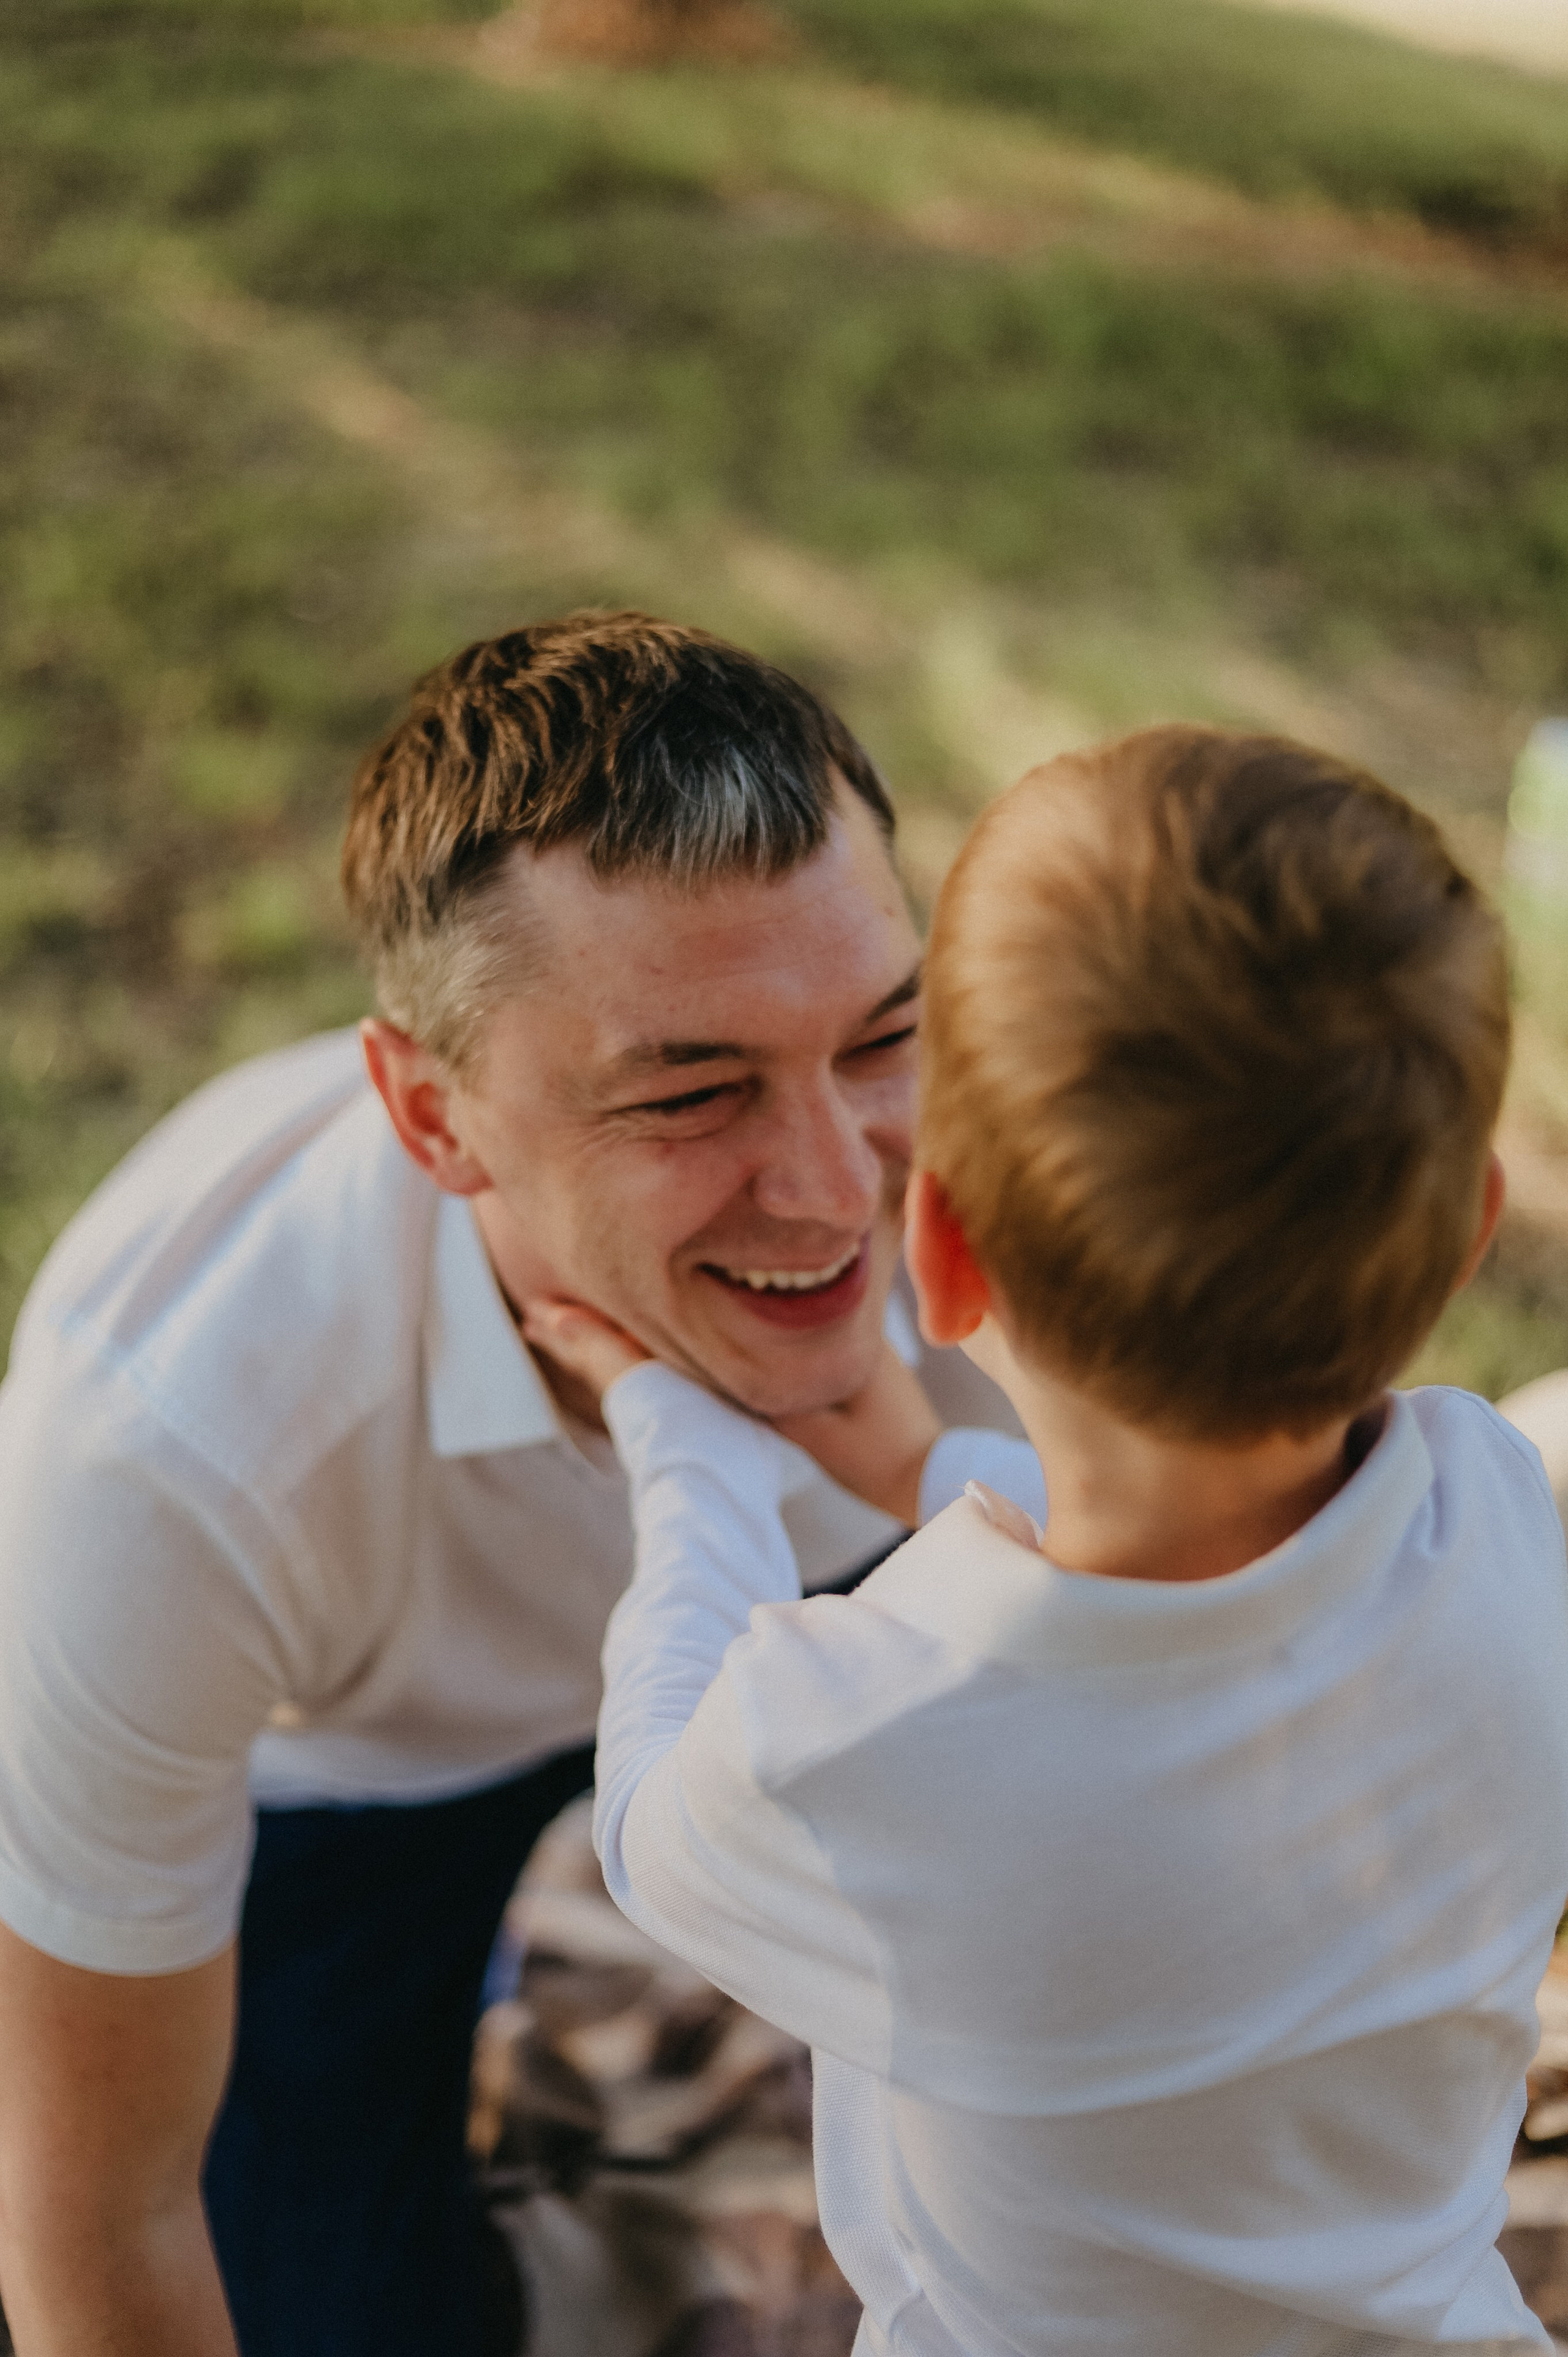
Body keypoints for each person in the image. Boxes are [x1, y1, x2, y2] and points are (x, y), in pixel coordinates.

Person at [0, 612, 1012, 2357]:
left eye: (879, 1038)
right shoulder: (168, 1458)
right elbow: (103, 2215)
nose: (840, 1191)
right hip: (378, 1767)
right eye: (693, 1094)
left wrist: (947, 1475)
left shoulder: (1041, 1177)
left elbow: (1301, 1650)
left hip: (887, 1578)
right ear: (434, 1118)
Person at [528, 725, 1568, 2357]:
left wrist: (688, 1452)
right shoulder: (1502, 1511)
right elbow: (1200, 1603)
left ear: (937, 1255)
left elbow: (651, 1815)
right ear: (1461, 1249)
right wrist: (924, 1465)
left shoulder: (866, 1736)